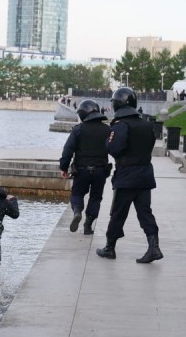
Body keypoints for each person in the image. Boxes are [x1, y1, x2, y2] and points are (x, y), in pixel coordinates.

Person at [96, 87, 163, 263]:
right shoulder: (146, 124)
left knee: (118, 213)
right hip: (145, 174)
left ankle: (110, 247)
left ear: (118, 104)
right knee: (145, 212)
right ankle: (154, 246)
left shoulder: (121, 125)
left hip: (126, 176)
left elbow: (113, 149)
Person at [59, 99, 111, 235]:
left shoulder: (78, 130)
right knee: (95, 197)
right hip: (100, 170)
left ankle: (77, 211)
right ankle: (88, 224)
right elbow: (115, 149)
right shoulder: (108, 130)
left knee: (77, 194)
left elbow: (68, 150)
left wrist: (63, 167)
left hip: (81, 170)